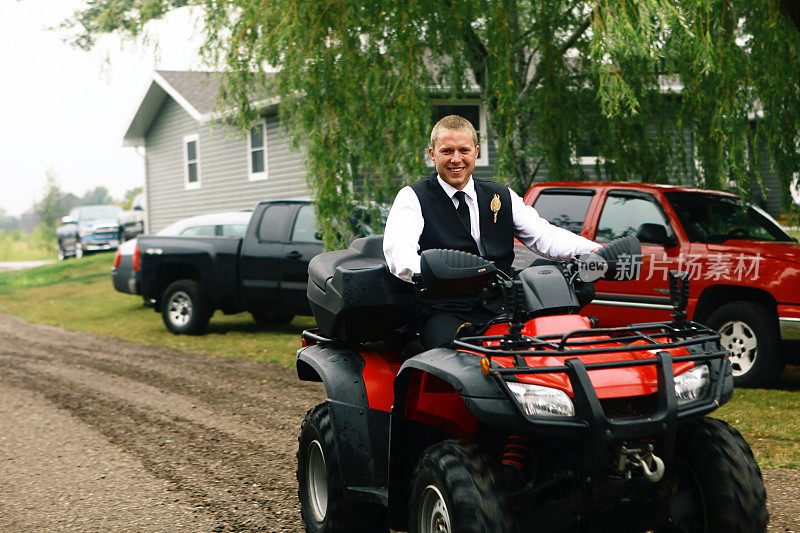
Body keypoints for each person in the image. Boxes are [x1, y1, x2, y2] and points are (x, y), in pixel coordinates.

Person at [383, 115, 599, 348]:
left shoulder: (501, 195)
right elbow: (400, 258)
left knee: (557, 342)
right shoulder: (413, 197)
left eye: (464, 150)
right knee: (455, 360)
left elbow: (544, 236)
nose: (456, 159)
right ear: (432, 154)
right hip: (446, 310)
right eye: (447, 151)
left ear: (476, 152)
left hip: (505, 307)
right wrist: (442, 270)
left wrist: (597, 251)